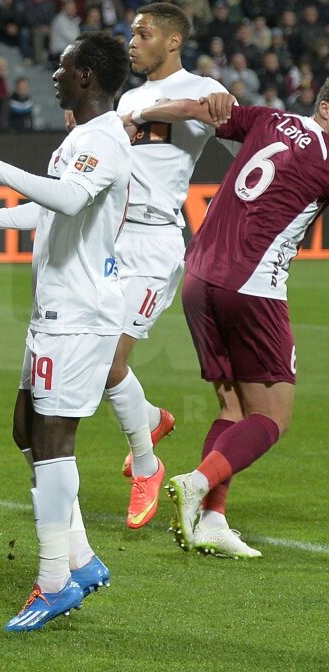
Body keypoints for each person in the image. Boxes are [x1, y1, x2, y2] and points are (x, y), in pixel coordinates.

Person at [0, 32, 131, 631]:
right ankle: (82, 559)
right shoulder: (79, 139)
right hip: (56, 312)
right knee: (26, 428)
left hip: (81, 315)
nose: (55, 76)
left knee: (51, 442)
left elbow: (66, 200)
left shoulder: (106, 139)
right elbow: (51, 207)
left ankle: (53, 582)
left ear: (87, 75)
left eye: (63, 68)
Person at [135, 84, 329, 560]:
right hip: (252, 287)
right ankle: (197, 482)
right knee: (272, 417)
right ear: (325, 108)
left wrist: (136, 114)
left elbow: (189, 109)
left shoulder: (267, 118)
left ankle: (212, 520)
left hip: (199, 276)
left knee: (233, 409)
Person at [109, 2, 231, 529]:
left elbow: (243, 138)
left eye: (144, 33)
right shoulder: (131, 95)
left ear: (173, 41)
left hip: (153, 244)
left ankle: (147, 465)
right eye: (132, 33)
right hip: (107, 241)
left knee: (107, 363)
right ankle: (152, 421)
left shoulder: (205, 89)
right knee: (92, 362)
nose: (132, 42)